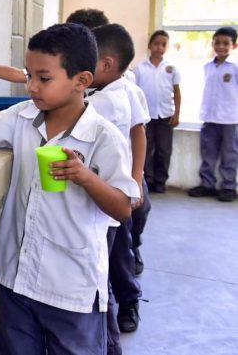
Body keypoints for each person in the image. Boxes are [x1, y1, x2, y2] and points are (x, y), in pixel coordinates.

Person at [0, 23, 138, 355]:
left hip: (70, 285)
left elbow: (123, 207)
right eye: (29, 75)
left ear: (82, 81)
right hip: (16, 278)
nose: (31, 86)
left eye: (43, 79)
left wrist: (86, 177)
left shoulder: (104, 138)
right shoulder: (23, 116)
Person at [89, 24, 147, 345]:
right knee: (113, 253)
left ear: (107, 63)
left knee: (117, 257)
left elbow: (139, 132)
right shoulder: (97, 90)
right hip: (104, 191)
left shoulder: (120, 94)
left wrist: (136, 181)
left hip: (116, 190)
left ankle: (129, 301)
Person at [188, 26, 238, 203]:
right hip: (209, 117)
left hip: (230, 119)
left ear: (234, 46)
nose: (221, 46)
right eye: (218, 42)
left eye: (226, 43)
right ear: (213, 44)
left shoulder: (235, 67)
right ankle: (207, 184)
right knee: (208, 153)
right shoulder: (207, 66)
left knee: (229, 154)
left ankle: (228, 187)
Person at [133, 30, 181, 194]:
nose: (159, 47)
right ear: (149, 46)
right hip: (146, 117)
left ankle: (160, 182)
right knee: (146, 150)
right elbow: (135, 93)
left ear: (167, 47)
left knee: (164, 150)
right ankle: (147, 179)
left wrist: (176, 114)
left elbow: (177, 93)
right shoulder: (140, 68)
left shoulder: (171, 68)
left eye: (163, 44)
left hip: (165, 116)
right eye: (156, 43)